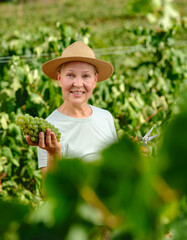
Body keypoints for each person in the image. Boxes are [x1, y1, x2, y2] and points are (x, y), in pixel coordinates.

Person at [26, 41, 118, 179]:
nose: (78, 84)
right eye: (70, 75)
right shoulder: (49, 129)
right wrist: (54, 154)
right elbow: (50, 194)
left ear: (95, 80)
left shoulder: (106, 117)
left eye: (86, 76)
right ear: (59, 78)